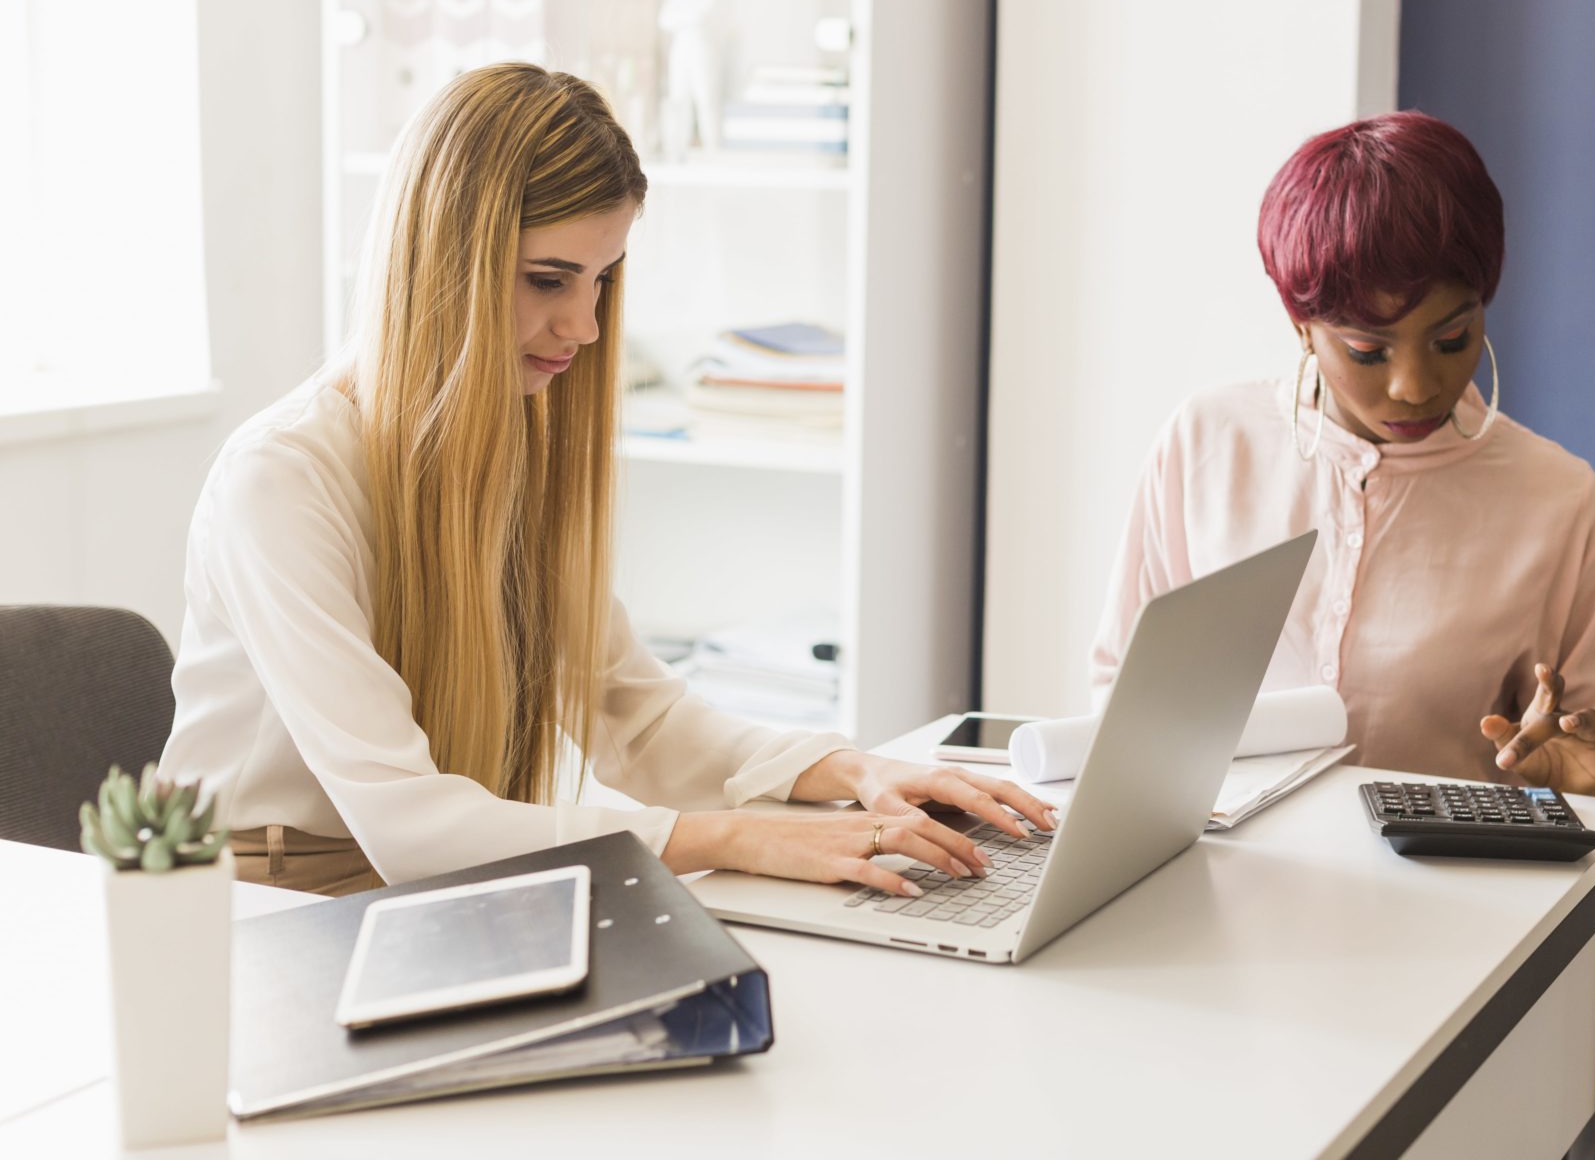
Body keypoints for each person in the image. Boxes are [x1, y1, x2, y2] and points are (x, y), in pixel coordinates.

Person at [159, 63, 1053, 897]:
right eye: (549, 279)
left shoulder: (501, 446)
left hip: (446, 891)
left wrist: (852, 769)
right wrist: (735, 839)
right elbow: (409, 822)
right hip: (263, 903)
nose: (584, 327)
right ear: (443, 265)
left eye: (602, 280)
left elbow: (636, 717)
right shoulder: (280, 481)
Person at [1090, 111, 1595, 800]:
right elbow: (1122, 689)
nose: (1414, 387)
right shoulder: (1206, 444)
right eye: (1367, 350)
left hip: (1445, 895)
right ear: (1301, 325)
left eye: (1451, 339)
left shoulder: (1562, 503)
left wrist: (1577, 785)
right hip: (1216, 878)